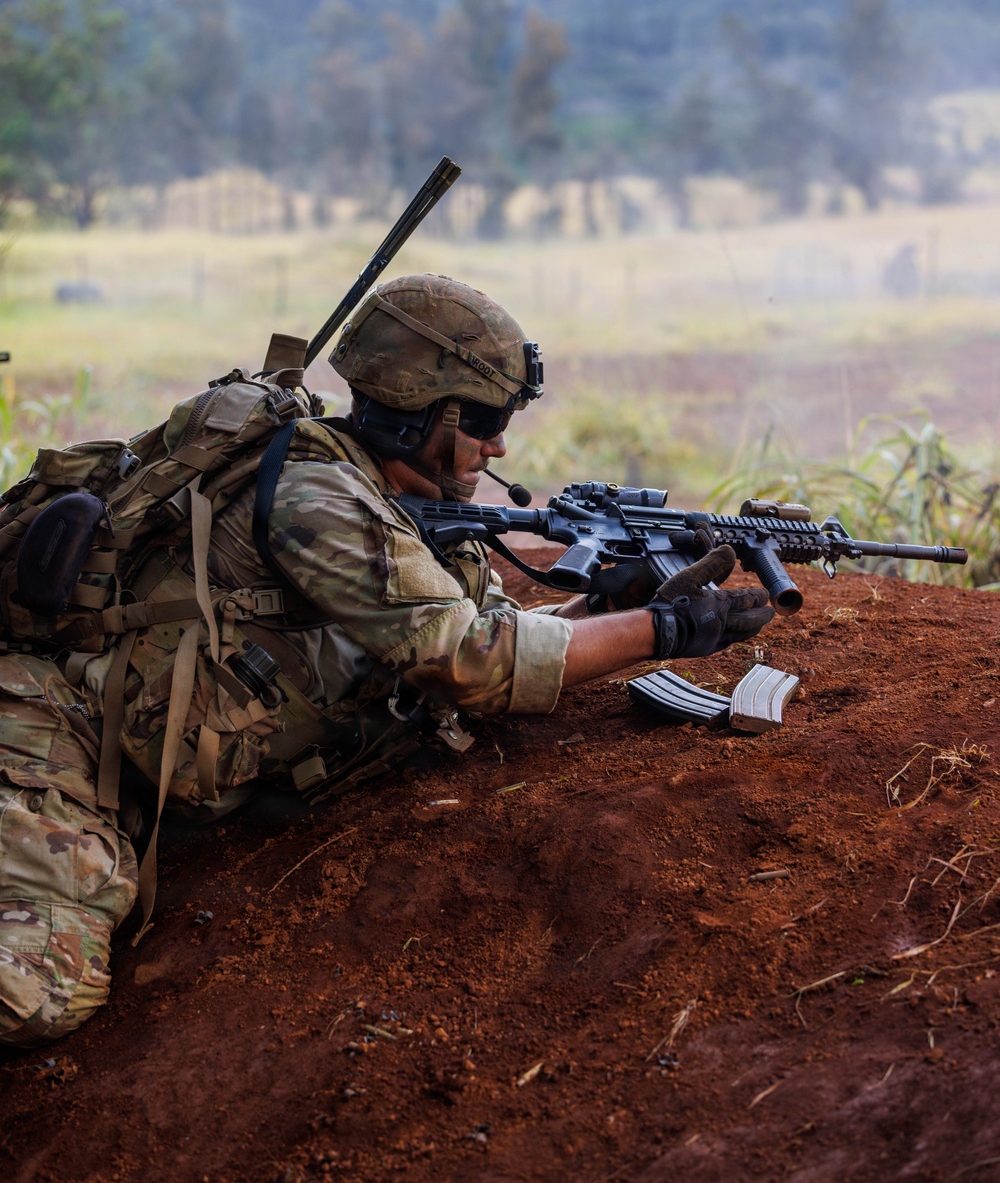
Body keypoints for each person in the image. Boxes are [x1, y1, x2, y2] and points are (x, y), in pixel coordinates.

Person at [0, 273, 773, 1047]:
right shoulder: (317, 499)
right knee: (36, 992)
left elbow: (483, 636)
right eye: (485, 422)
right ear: (423, 414)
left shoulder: (401, 507)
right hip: (54, 723)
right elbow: (471, 663)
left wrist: (610, 610)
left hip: (141, 756)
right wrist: (664, 631)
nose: (499, 446)